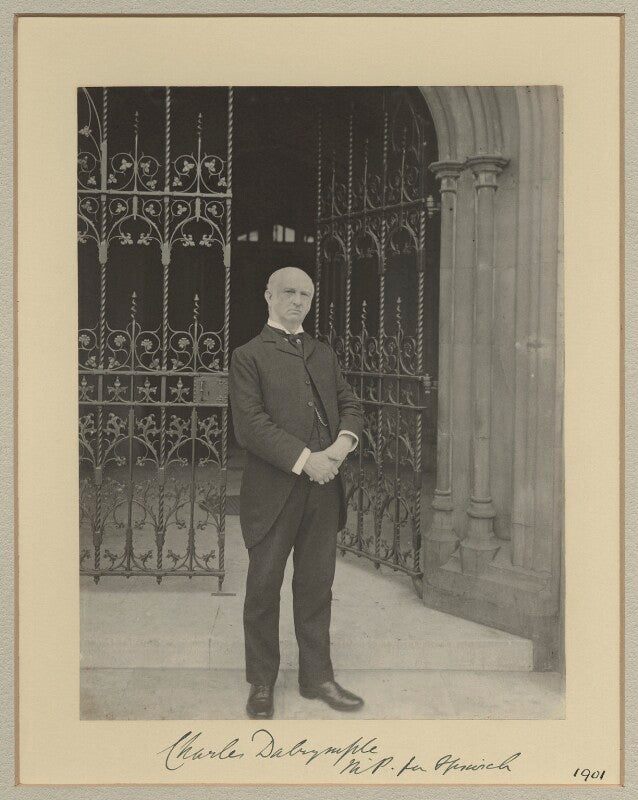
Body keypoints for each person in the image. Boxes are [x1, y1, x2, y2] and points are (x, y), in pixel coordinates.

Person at [229, 267, 365, 719]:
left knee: (316, 586)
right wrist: (308, 460)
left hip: (323, 492)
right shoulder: (248, 356)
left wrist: (341, 447)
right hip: (273, 493)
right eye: (288, 292)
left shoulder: (323, 354)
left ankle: (317, 677)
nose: (297, 301)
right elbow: (250, 426)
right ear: (268, 295)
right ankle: (262, 682)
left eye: (305, 294)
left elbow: (350, 404)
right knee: (263, 587)